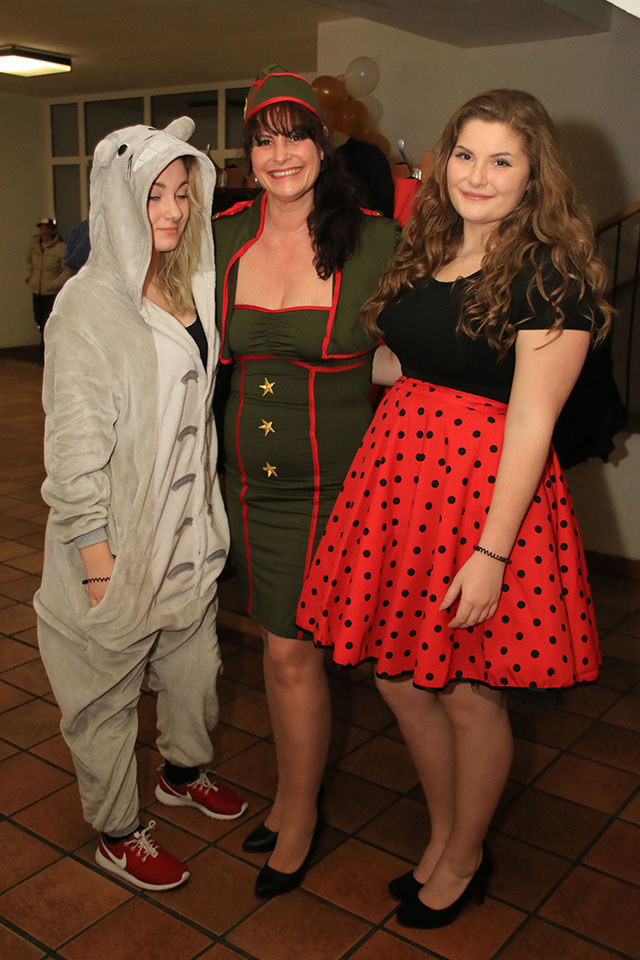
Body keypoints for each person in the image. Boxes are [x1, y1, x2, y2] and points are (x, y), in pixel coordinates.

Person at [297, 89, 613, 927]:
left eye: (502, 160)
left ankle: (465, 855)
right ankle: (447, 832)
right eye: (466, 155)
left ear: (534, 175)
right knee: (399, 678)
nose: (478, 174)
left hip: (483, 501)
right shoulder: (430, 248)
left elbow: (533, 422)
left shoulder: (552, 274)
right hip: (402, 486)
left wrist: (492, 555)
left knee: (471, 692)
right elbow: (413, 366)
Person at [35, 117, 247, 893]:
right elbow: (74, 453)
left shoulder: (191, 283)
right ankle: (118, 830)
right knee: (107, 698)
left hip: (185, 535)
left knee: (194, 671)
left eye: (182, 193)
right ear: (115, 198)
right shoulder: (86, 308)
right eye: (154, 194)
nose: (172, 210)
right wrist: (98, 564)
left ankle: (182, 773)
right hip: (115, 544)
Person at [213, 71, 398, 898]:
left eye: (295, 135)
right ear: (247, 153)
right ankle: (292, 801)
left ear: (324, 145)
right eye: (263, 138)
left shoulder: (377, 241)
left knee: (293, 654)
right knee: (278, 649)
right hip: (246, 484)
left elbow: (415, 345)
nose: (279, 153)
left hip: (341, 484)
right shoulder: (222, 237)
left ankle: (299, 816)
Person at [25, 217, 71, 360]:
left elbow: (67, 270)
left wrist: (55, 284)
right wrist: (29, 278)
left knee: (47, 323)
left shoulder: (60, 248)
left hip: (51, 293)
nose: (43, 232)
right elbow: (28, 263)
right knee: (39, 320)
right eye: (41, 229)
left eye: (46, 229)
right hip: (37, 291)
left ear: (52, 230)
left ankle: (45, 355)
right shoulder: (34, 247)